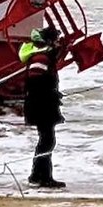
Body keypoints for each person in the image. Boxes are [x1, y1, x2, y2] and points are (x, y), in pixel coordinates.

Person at [19, 26, 67, 188]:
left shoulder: (46, 57)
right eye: (56, 40)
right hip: (41, 104)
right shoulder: (41, 58)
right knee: (47, 140)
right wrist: (50, 93)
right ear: (49, 41)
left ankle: (37, 175)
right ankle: (44, 177)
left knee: (46, 140)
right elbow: (34, 81)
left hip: (42, 103)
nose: (58, 43)